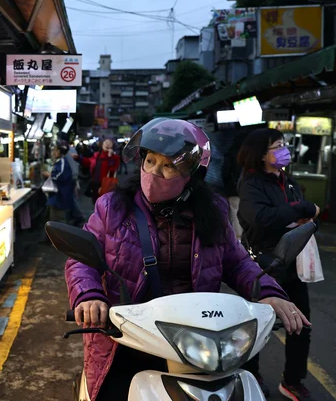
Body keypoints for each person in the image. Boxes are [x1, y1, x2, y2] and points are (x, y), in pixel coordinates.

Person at [65, 119, 309, 401]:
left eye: (168, 165)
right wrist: (90, 296)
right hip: (126, 336)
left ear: (192, 172)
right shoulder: (112, 207)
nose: (154, 172)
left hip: (195, 337)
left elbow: (236, 261)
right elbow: (82, 258)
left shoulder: (213, 211)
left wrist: (268, 293)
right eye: (150, 161)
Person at [237, 128, 319, 400]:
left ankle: (292, 380)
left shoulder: (288, 181)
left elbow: (305, 216)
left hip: (293, 264)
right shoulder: (250, 184)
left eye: (284, 144)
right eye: (278, 145)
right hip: (264, 266)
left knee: (301, 325)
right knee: (258, 327)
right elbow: (261, 219)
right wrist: (302, 209)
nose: (284, 150)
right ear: (262, 154)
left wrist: (299, 212)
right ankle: (252, 376)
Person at [75, 138, 120, 204]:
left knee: (105, 204)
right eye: (106, 142)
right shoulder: (97, 155)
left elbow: (112, 170)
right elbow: (88, 162)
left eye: (110, 143)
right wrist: (78, 158)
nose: (107, 144)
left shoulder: (116, 157)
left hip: (106, 184)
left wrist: (110, 157)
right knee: (96, 203)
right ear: (102, 145)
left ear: (112, 146)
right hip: (95, 183)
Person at [42, 143, 74, 224]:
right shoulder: (59, 162)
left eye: (56, 150)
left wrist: (49, 174)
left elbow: (61, 176)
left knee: (59, 219)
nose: (53, 152)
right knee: (54, 218)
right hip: (56, 196)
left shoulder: (63, 162)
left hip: (60, 195)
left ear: (60, 152)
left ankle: (60, 236)